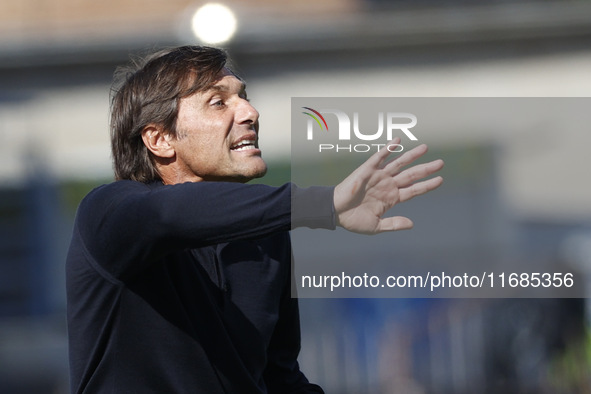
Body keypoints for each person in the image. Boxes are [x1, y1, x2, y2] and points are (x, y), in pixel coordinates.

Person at [66, 45, 444, 394]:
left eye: (243, 97)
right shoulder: (111, 214)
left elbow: (280, 381)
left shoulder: (267, 239)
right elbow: (168, 214)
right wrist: (321, 204)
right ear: (160, 139)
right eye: (218, 102)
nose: (249, 112)